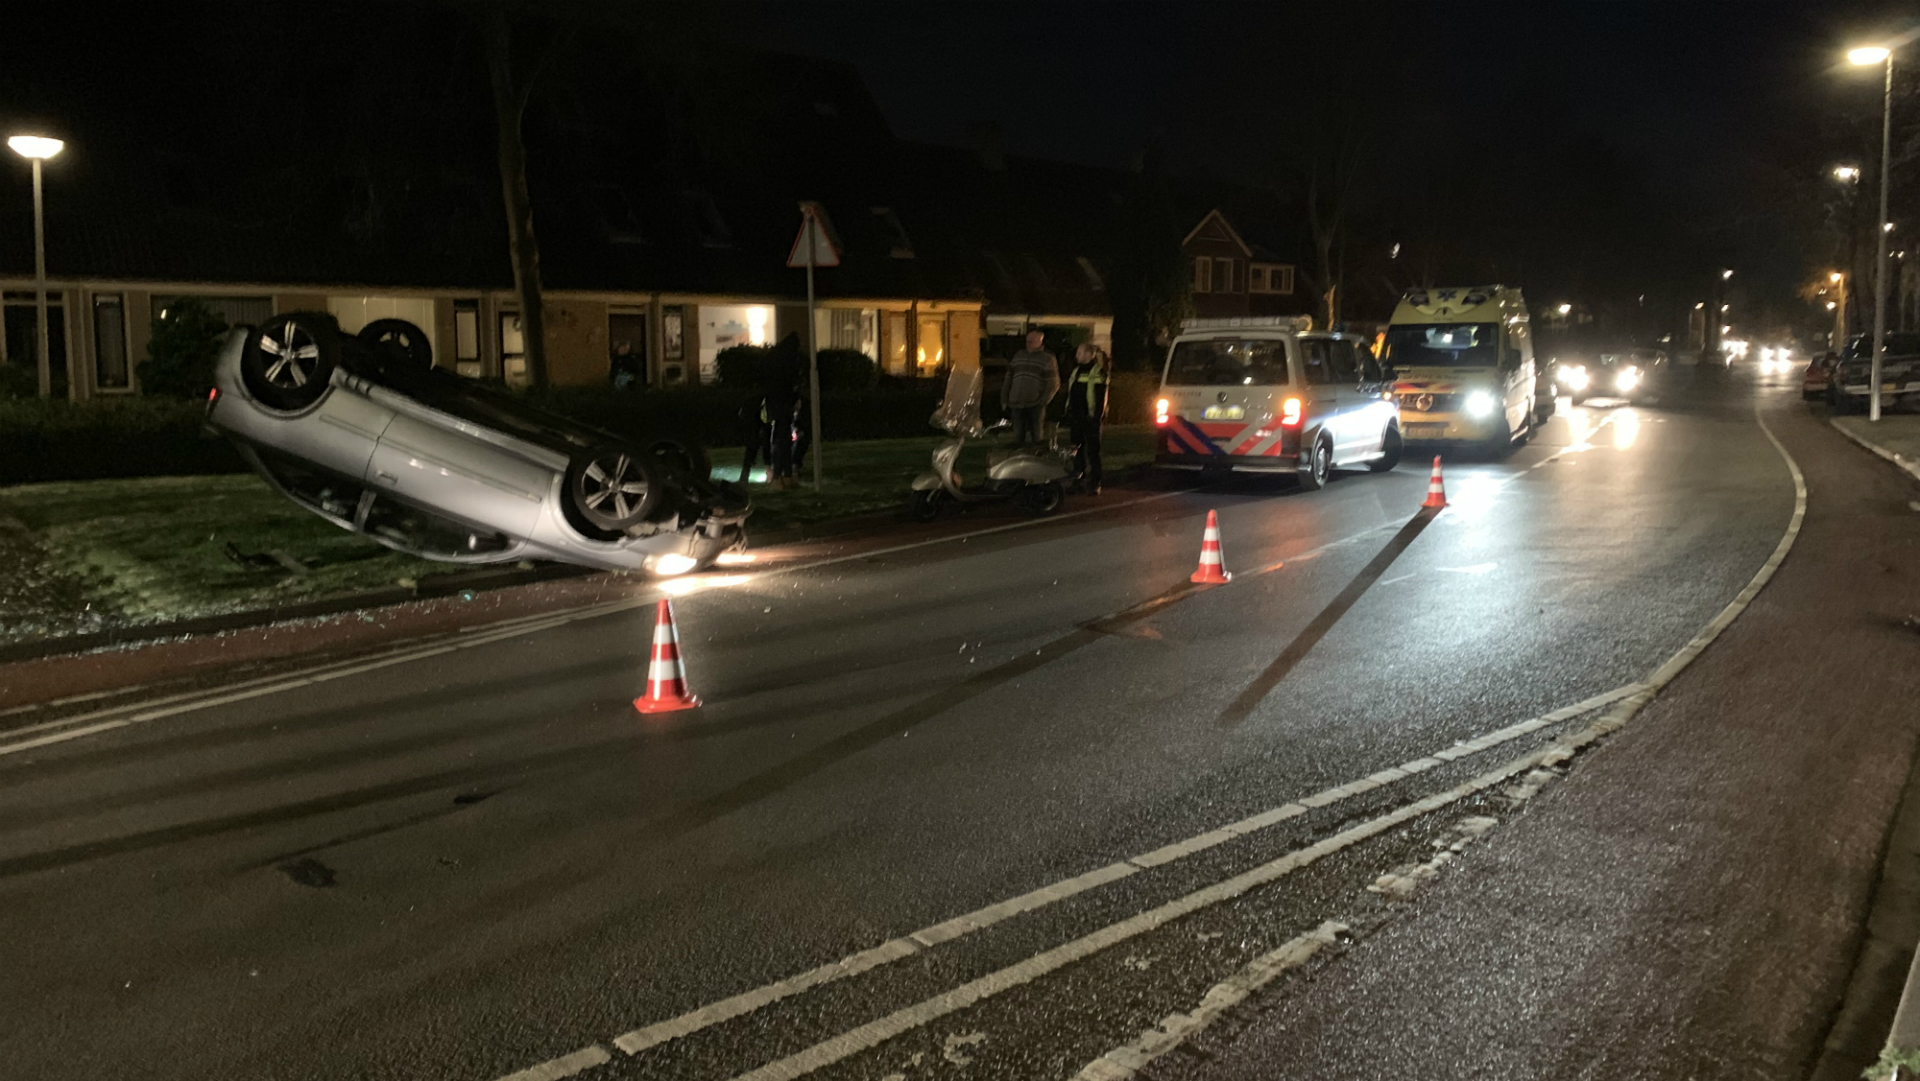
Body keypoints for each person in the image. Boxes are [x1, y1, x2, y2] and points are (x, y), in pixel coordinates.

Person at [1001, 328, 1059, 446]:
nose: (1028, 344)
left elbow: (1053, 383)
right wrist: (1004, 398)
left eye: (1031, 341)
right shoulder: (1019, 355)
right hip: (1016, 403)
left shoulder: (1047, 359)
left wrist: (1044, 400)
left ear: (1040, 342)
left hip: (1035, 404)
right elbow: (1008, 378)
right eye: (1027, 341)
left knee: (1037, 436)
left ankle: (1037, 459)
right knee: (1017, 436)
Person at [1065, 344, 1109, 494]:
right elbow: (1072, 393)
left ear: (1089, 354)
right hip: (1076, 417)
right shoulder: (1076, 371)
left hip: (1090, 418)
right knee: (1076, 451)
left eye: (1079, 352)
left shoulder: (1098, 372)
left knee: (1093, 452)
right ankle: (1079, 479)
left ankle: (1095, 482)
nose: (1077, 355)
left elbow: (1101, 397)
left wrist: (1096, 417)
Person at [763, 333, 805, 489]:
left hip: (775, 404)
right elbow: (792, 384)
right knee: (783, 442)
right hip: (784, 405)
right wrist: (794, 400)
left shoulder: (774, 359)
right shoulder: (790, 362)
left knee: (783, 441)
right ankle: (781, 476)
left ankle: (784, 476)